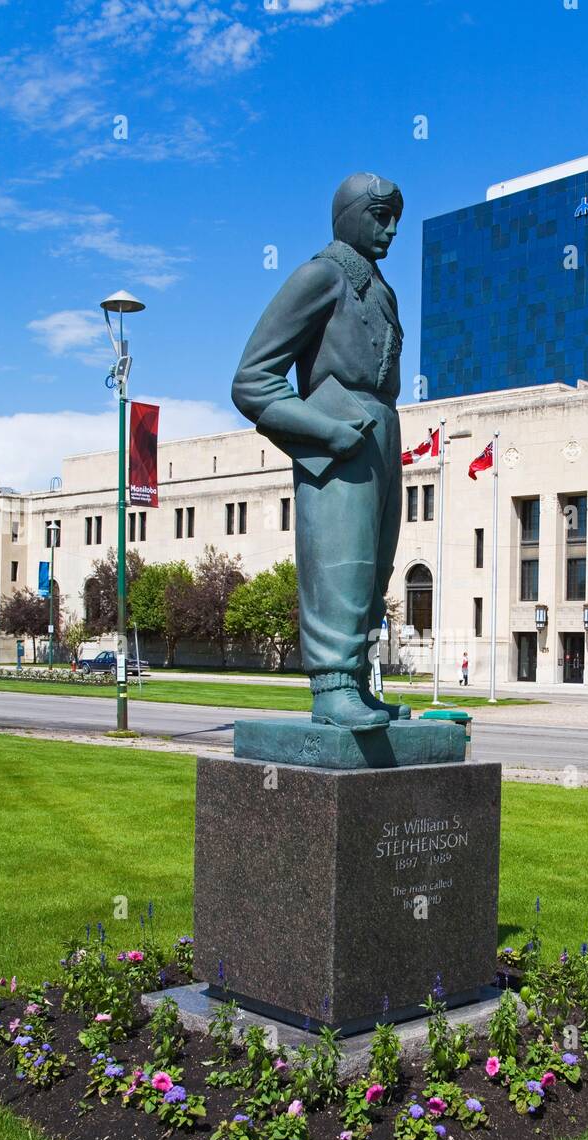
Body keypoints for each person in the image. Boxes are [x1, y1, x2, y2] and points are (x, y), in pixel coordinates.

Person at [231, 173, 410, 730]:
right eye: (380, 215)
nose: (391, 228)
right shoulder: (320, 276)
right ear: (349, 214)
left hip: (383, 429)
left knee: (374, 566)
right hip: (339, 438)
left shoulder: (381, 289)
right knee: (341, 561)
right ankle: (331, 688)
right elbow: (252, 380)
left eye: (395, 216)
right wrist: (323, 432)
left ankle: (355, 681)